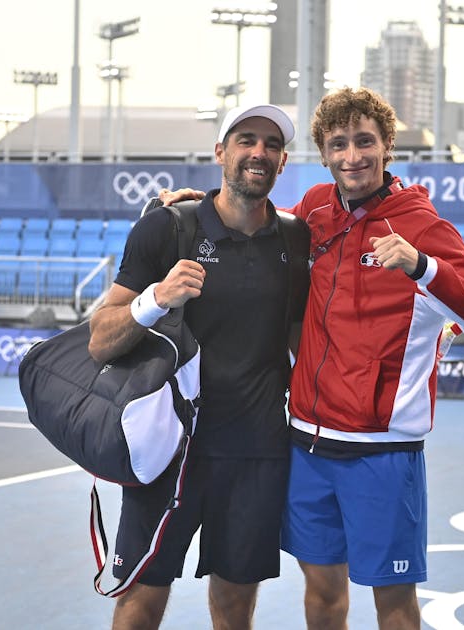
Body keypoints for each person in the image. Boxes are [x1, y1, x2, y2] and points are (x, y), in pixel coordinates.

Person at [162, 86, 464, 629]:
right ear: (323, 154)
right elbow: (258, 223)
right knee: (324, 592)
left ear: (386, 146)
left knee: (393, 602)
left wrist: (423, 266)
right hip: (307, 443)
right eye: (338, 144)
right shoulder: (316, 211)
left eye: (363, 141)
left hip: (382, 452)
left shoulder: (422, 226)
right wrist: (205, 205)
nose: (351, 156)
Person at [87, 103, 309, 630]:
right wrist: (156, 298)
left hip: (256, 450)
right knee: (141, 600)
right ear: (220, 153)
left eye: (272, 145)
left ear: (282, 161)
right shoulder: (167, 229)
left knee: (235, 608)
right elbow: (100, 338)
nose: (259, 153)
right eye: (246, 140)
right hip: (171, 450)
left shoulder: (297, 237)